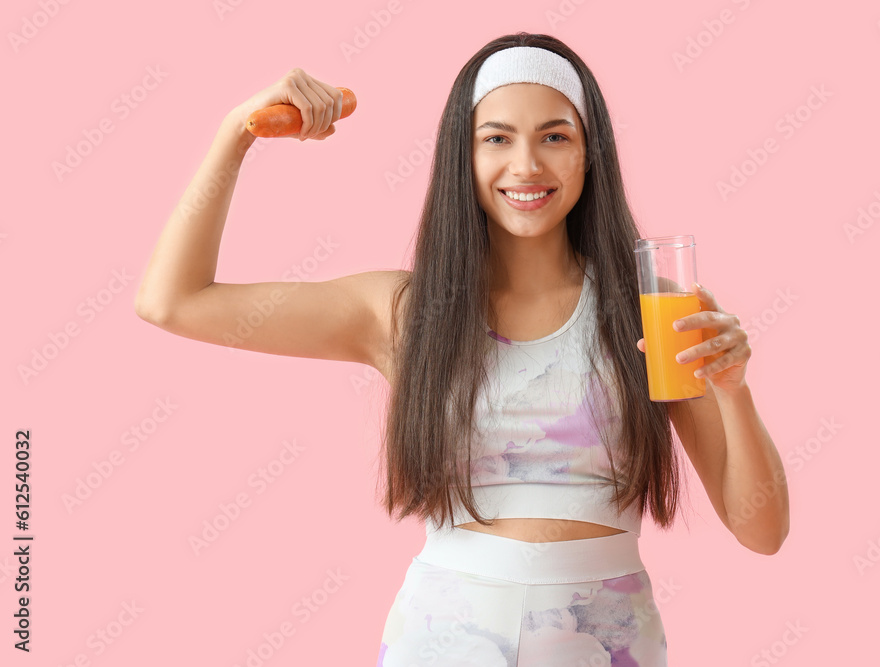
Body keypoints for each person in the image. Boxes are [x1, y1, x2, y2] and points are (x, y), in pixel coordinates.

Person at [135, 31, 788, 667]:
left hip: (609, 644)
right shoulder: (404, 312)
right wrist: (236, 132)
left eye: (554, 137)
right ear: (463, 156)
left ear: (591, 153)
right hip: (443, 637)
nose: (526, 165)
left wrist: (734, 390)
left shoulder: (650, 310)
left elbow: (762, 530)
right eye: (497, 138)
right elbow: (173, 300)